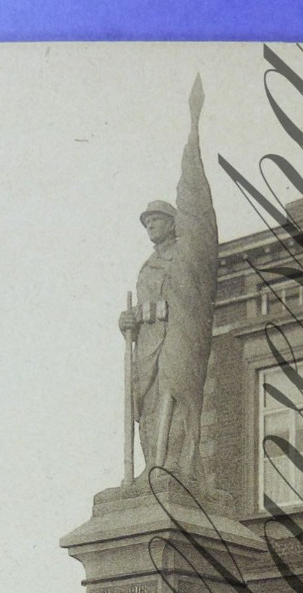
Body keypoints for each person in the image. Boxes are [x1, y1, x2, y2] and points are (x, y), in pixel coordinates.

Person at [119, 77, 217, 484]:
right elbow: (141, 307)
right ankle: (151, 466)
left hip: (175, 339)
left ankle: (172, 466)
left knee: (170, 399)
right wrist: (125, 322)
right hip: (146, 342)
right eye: (147, 222)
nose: (150, 227)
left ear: (173, 222)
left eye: (156, 220)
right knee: (145, 403)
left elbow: (189, 296)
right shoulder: (145, 267)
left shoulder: (184, 257)